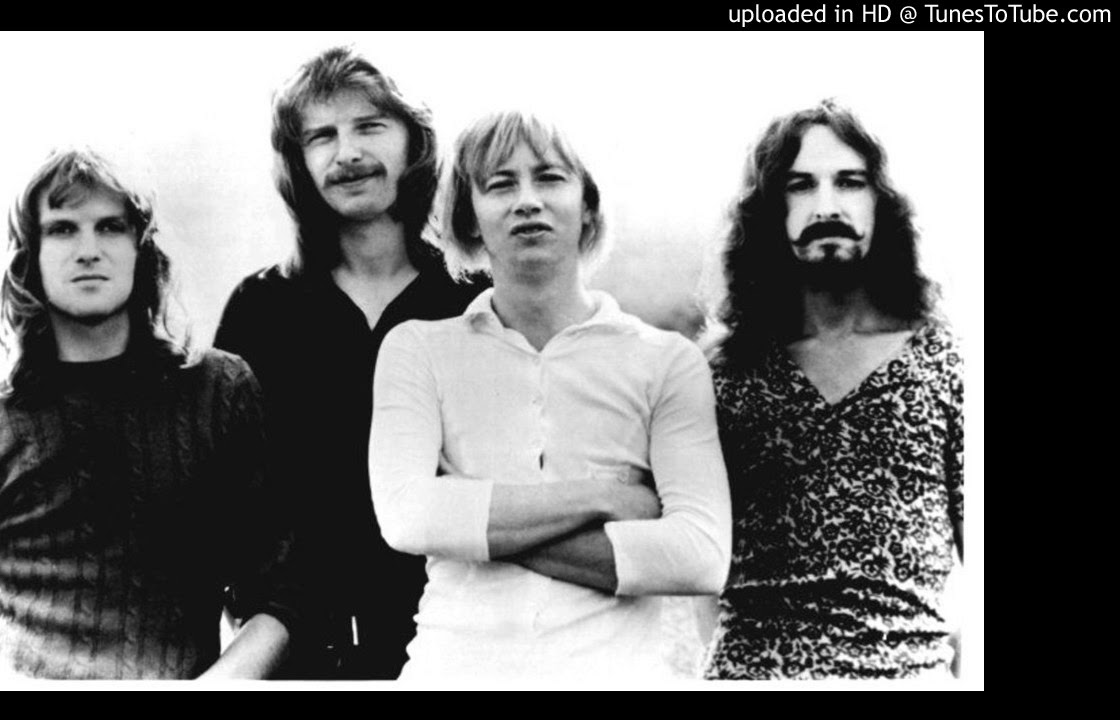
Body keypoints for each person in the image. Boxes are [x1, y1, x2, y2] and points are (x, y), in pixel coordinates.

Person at [368, 111, 732, 681]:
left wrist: (467, 519)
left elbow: (699, 555)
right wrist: (603, 497)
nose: (527, 201)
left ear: (588, 205)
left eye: (550, 178)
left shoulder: (667, 362)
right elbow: (406, 518)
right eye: (501, 184)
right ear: (469, 218)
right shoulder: (417, 351)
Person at [213, 47, 487, 679]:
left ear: (413, 142)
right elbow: (226, 497)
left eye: (370, 126)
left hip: (455, 640)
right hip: (298, 646)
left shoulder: (472, 301)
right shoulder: (261, 309)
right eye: (322, 136)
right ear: (298, 162)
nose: (348, 153)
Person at [0, 148, 299, 679]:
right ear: (30, 254)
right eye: (62, 229)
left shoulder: (218, 390)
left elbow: (279, 595)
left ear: (142, 249)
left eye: (110, 227)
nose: (88, 251)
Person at [702, 100, 964, 680]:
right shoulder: (722, 373)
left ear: (883, 201)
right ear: (768, 211)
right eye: (800, 186)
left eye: (850, 182)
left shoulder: (948, 361)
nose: (826, 206)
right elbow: (690, 557)